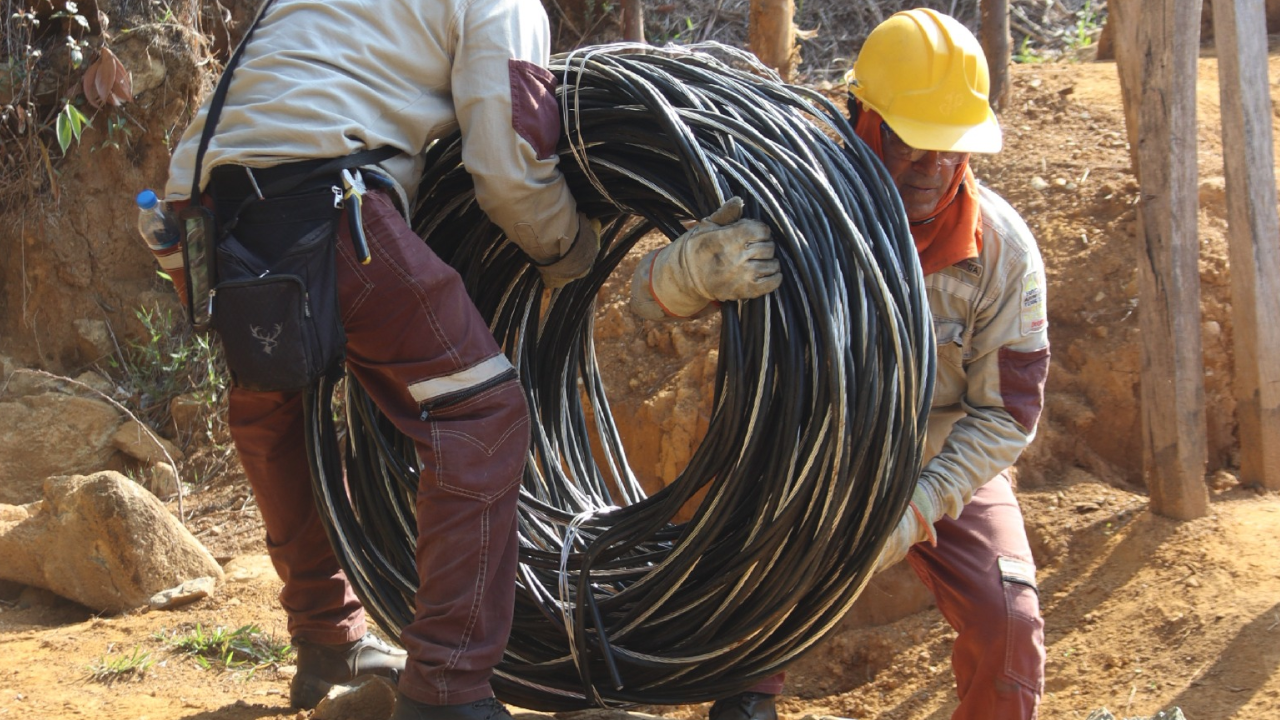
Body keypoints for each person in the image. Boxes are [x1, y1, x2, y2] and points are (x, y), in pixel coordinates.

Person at [158, 1, 778, 718]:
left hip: (199, 215)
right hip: (328, 205)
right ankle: (447, 690)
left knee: (276, 407)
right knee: (478, 410)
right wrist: (567, 248)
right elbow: (508, 166)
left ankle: (327, 635)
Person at [704, 9, 1051, 720]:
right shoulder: (793, 209)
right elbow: (653, 309)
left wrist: (917, 506)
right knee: (746, 626)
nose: (933, 170)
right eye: (912, 144)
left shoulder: (1003, 253)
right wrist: (683, 277)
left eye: (952, 149)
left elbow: (1007, 415)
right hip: (812, 450)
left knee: (1009, 625)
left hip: (939, 454)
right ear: (863, 119)